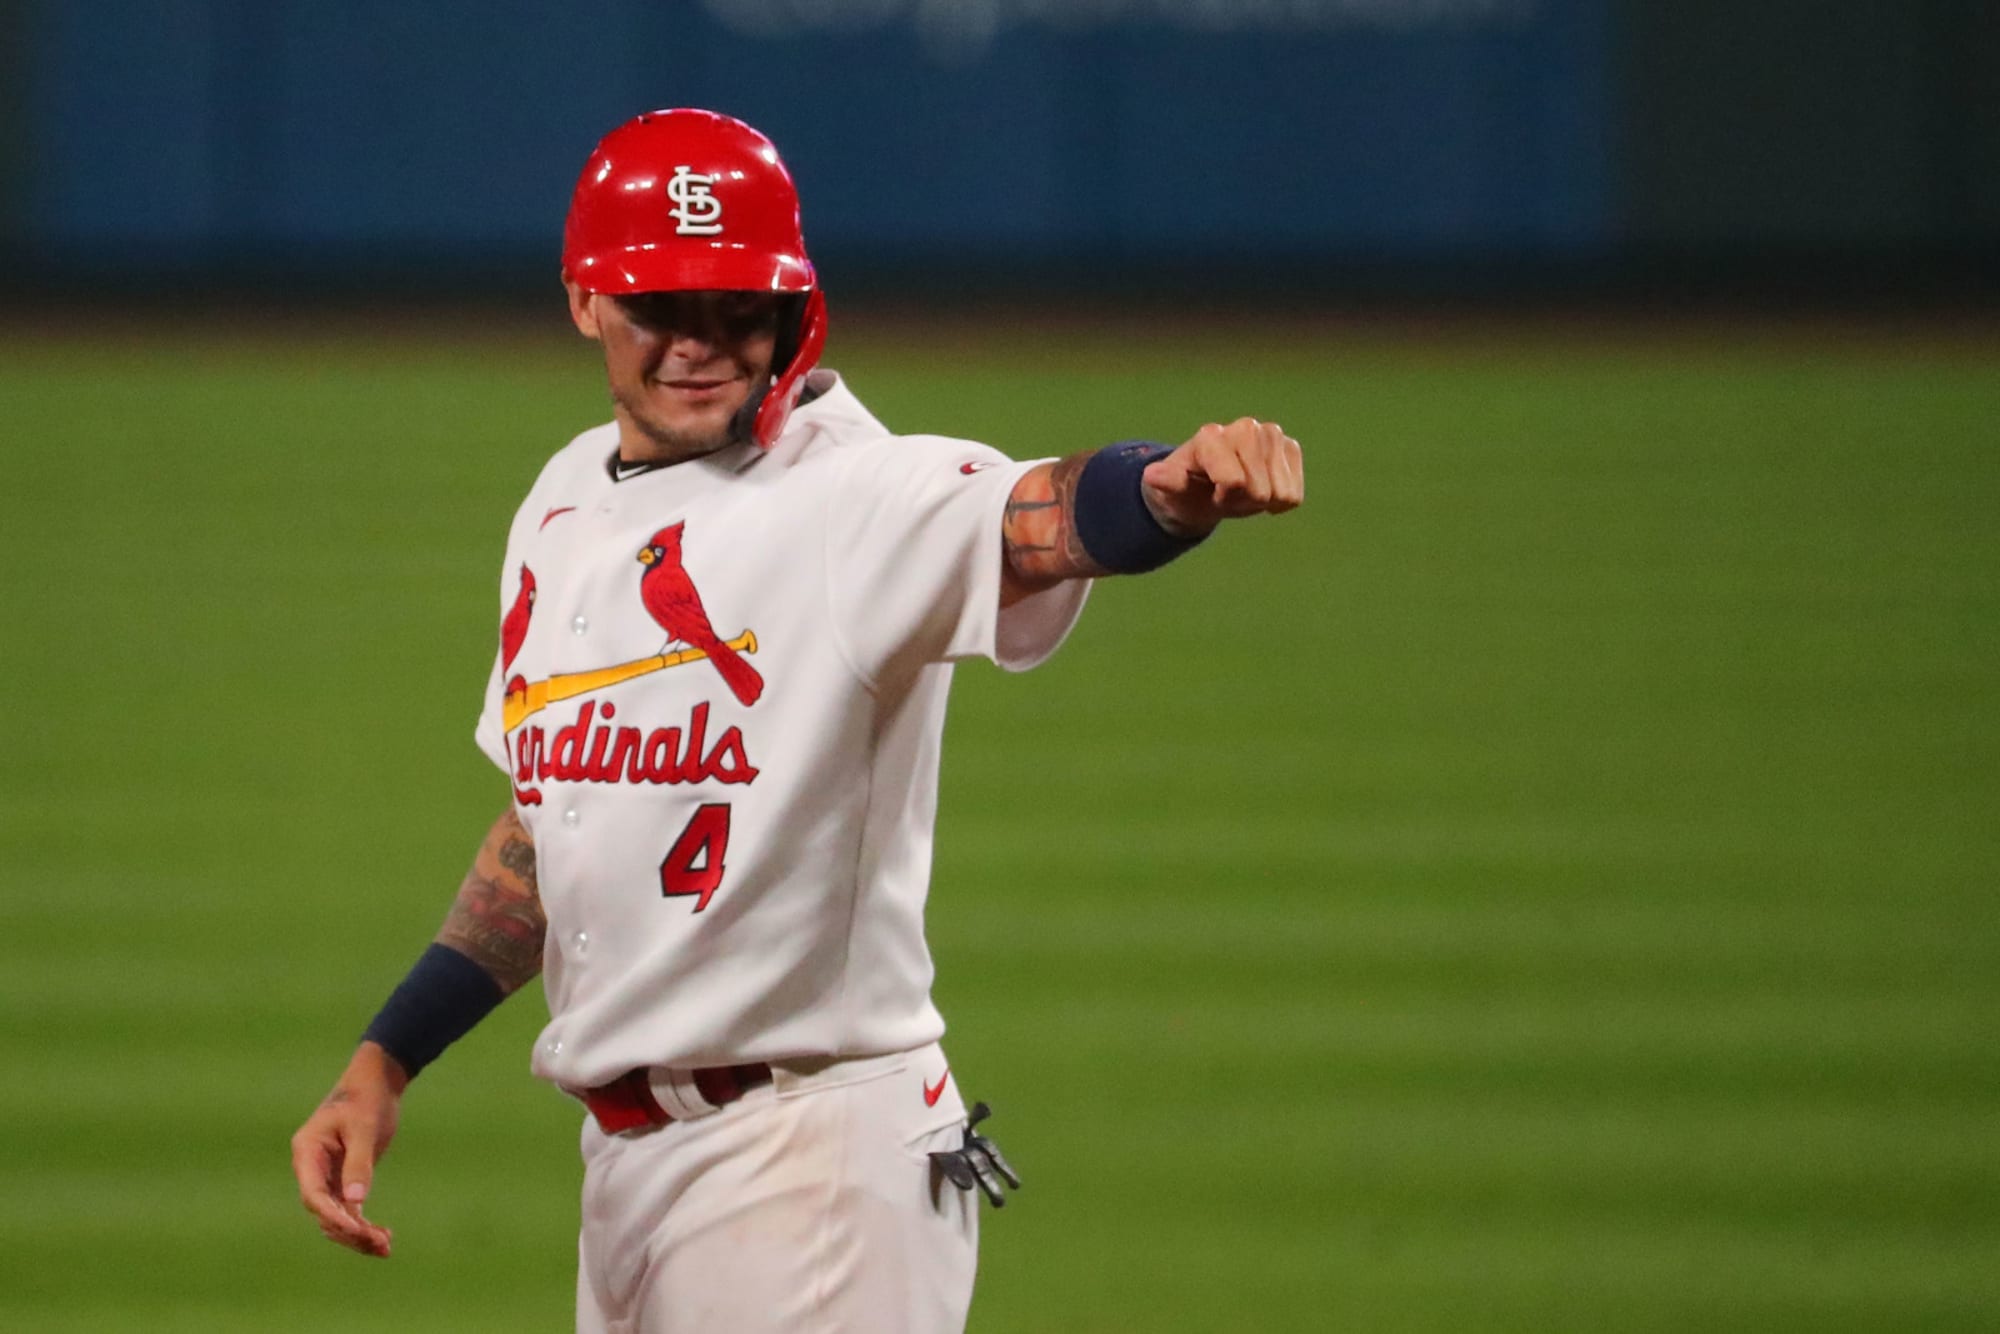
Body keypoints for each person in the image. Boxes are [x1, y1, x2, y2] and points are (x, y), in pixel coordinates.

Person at [289, 107, 1304, 1333]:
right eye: (660, 305)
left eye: (737, 307)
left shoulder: (850, 494)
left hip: (809, 1164)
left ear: (790, 309)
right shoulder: (558, 505)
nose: (700, 344)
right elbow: (552, 828)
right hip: (631, 1176)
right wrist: (386, 1055)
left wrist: (1169, 486)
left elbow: (1039, 512)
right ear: (583, 300)